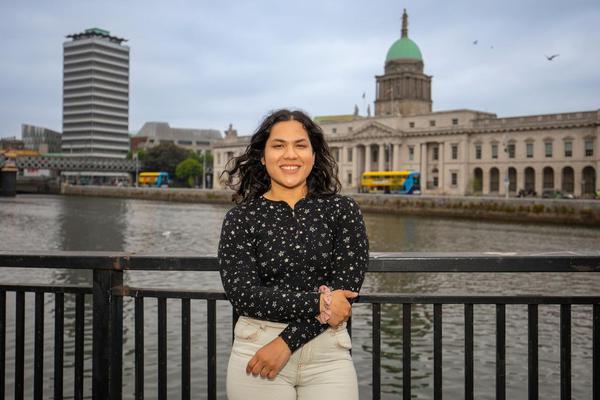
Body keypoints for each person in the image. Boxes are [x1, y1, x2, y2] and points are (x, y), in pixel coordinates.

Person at [218, 109, 369, 399]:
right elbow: (243, 295)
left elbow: (345, 294)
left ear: (314, 154)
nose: (290, 155)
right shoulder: (241, 218)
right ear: (263, 156)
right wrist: (321, 301)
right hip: (257, 347)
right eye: (278, 145)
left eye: (300, 145)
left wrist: (286, 343)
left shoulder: (343, 210)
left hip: (328, 355)